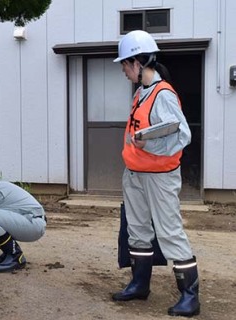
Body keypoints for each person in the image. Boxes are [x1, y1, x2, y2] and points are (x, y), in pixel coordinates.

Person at [111, 30, 200, 317]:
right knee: (137, 230)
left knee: (169, 232)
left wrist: (149, 143)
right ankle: (140, 284)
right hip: (135, 174)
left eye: (125, 64)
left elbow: (182, 135)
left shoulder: (163, 94)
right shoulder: (140, 93)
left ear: (138, 63)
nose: (123, 70)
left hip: (159, 177)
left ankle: (190, 296)